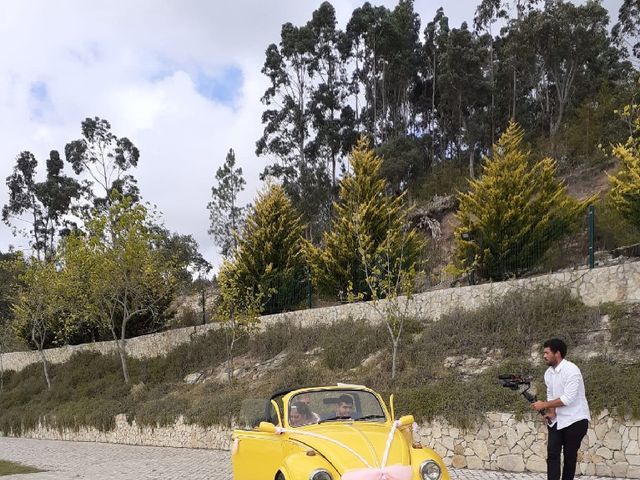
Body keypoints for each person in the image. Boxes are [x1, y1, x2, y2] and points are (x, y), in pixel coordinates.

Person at [531, 338, 591, 480]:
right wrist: (551, 413)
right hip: (558, 420)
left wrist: (544, 405)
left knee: (570, 456)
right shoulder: (548, 373)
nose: (544, 356)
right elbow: (551, 394)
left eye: (546, 353)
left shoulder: (572, 370)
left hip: (576, 419)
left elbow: (567, 399)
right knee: (552, 454)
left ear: (557, 353)